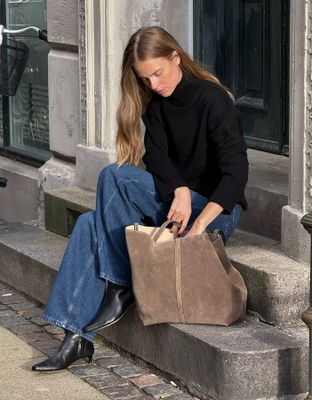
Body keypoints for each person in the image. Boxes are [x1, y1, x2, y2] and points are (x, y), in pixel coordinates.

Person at [32, 26, 248, 372]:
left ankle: (119, 283)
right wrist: (177, 190)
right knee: (89, 223)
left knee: (113, 176)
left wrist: (201, 220)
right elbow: (158, 162)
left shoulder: (212, 99)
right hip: (173, 208)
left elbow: (236, 172)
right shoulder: (156, 108)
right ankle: (75, 337)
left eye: (158, 74)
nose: (154, 85)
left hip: (215, 211)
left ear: (175, 57)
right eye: (145, 79)